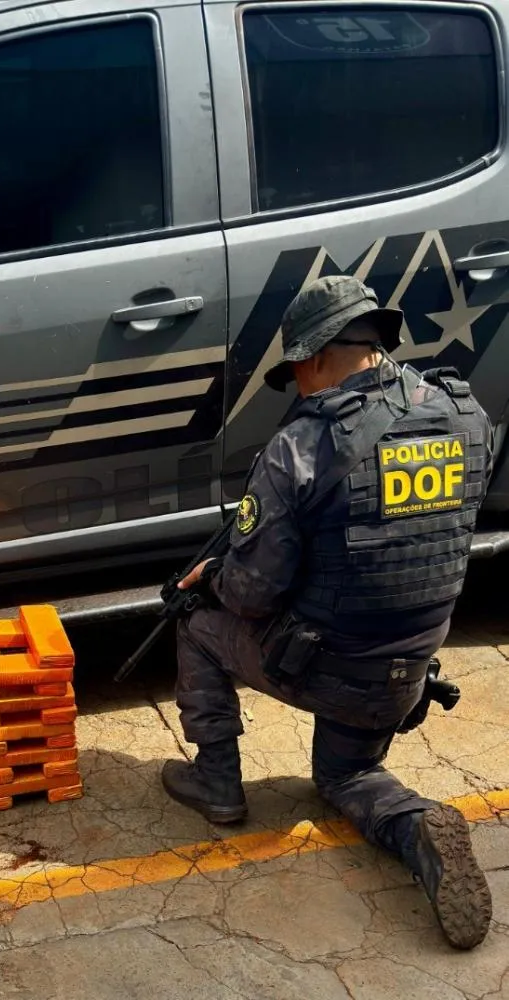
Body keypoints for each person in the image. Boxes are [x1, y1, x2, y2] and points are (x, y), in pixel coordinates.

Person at [162, 275, 494, 950]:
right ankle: (416, 824)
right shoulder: (463, 414)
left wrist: (213, 575)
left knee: (195, 620)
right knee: (346, 777)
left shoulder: (301, 448)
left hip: (324, 665)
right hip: (404, 672)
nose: (300, 389)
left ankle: (216, 783)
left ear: (313, 358)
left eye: (296, 374)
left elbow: (253, 594)